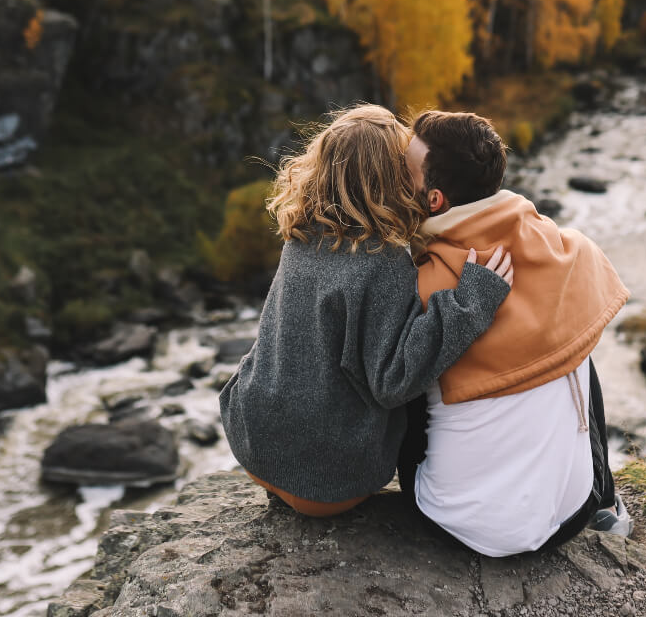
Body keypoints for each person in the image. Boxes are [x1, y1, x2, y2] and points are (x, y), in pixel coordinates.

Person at [220, 104, 515, 517]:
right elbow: (394, 381)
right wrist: (470, 302)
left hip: (252, 443)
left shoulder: (302, 232)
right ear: (390, 178)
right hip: (325, 485)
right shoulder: (382, 259)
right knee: (419, 393)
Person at [397, 109, 631, 556]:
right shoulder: (570, 252)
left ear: (434, 200)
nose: (394, 179)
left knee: (409, 367)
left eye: (403, 172)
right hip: (570, 516)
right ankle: (605, 500)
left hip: (457, 523)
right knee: (574, 337)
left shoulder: (419, 285)